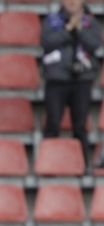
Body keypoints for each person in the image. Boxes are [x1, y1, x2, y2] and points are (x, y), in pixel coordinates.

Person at [40, 0, 102, 167]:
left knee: (80, 127)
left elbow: (94, 45)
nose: (72, 2)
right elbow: (47, 42)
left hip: (82, 81)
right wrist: (68, 30)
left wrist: (79, 29)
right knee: (52, 124)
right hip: (56, 80)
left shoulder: (90, 22)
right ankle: (48, 164)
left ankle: (82, 166)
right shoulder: (51, 21)